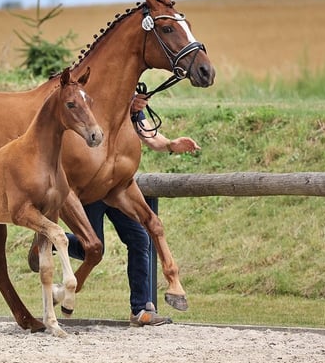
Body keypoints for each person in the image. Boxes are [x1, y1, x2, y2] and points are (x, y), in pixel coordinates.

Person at [28, 93, 200, 327]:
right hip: (91, 188)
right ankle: (49, 240)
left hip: (117, 187)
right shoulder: (94, 104)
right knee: (91, 246)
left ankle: (140, 309)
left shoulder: (130, 108)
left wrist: (171, 144)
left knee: (140, 239)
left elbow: (150, 137)